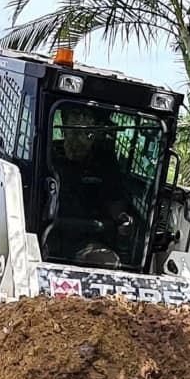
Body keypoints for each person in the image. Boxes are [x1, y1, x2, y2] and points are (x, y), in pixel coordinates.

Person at [49, 105, 133, 264]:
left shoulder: (105, 162)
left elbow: (115, 200)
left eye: (87, 134)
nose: (80, 140)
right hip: (47, 233)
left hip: (89, 239)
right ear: (63, 129)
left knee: (109, 261)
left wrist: (122, 218)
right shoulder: (47, 153)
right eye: (75, 133)